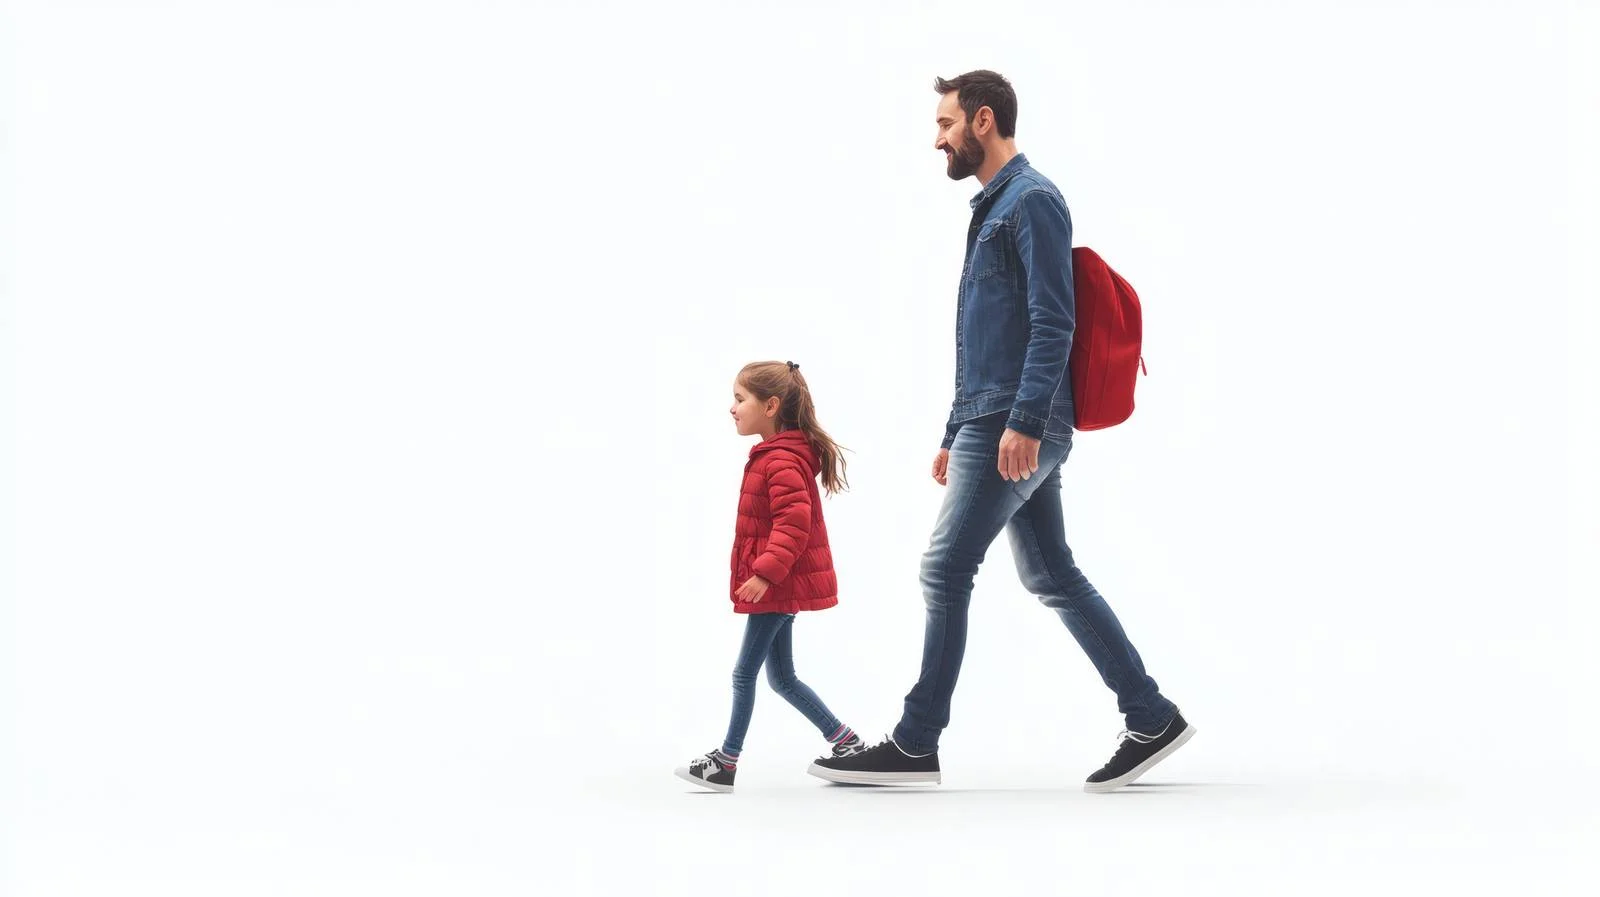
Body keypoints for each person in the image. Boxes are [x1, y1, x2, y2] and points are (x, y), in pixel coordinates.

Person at [809, 71, 1194, 793]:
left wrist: (1019, 420)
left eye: (947, 123)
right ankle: (1151, 714)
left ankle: (916, 742)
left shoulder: (1033, 201)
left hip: (1019, 419)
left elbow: (1055, 321)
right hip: (995, 415)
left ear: (983, 121)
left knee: (945, 567)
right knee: (1049, 571)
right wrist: (956, 430)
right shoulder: (994, 208)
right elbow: (985, 333)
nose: (938, 138)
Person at [674, 361, 867, 793]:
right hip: (781, 583)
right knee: (782, 678)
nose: (732, 408)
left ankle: (725, 762)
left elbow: (793, 523)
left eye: (740, 399)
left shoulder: (780, 460)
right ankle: (847, 743)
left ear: (771, 405)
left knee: (745, 674)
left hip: (778, 584)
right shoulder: (775, 457)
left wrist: (764, 574)